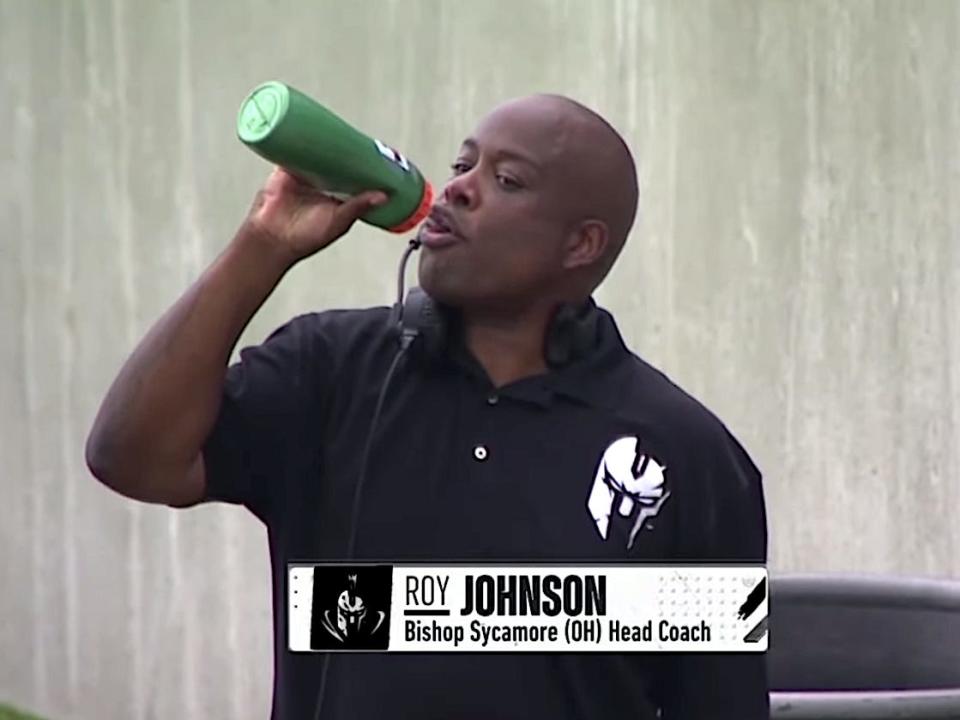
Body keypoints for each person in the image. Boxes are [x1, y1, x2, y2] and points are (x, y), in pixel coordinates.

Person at [86, 93, 769, 719]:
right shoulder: (333, 371)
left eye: (506, 180)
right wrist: (263, 247)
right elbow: (132, 459)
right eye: (462, 164)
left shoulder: (690, 459)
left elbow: (718, 705)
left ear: (581, 244)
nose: (459, 189)